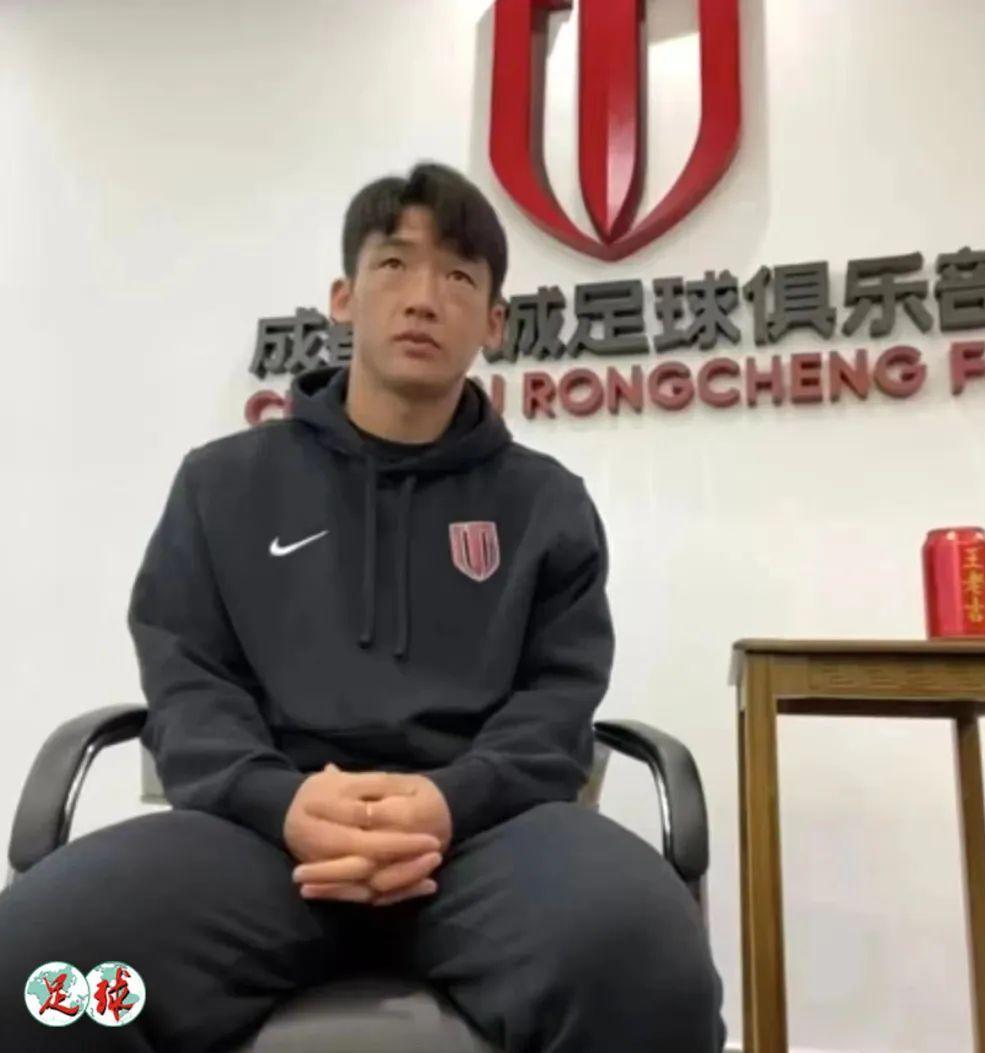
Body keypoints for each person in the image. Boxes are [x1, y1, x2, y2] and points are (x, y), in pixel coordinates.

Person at [0, 162, 725, 1051]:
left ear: (495, 323)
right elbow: (190, 681)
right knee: (39, 972)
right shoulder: (222, 484)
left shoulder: (547, 504)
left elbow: (557, 700)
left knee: (649, 964)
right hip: (261, 840)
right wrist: (280, 800)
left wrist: (448, 801)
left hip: (488, 843)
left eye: (457, 275)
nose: (423, 297)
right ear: (343, 299)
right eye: (394, 264)